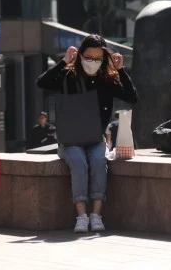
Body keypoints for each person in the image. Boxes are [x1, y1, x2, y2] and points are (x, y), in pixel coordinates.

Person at [36, 35, 137, 234]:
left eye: (98, 58)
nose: (93, 62)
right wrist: (64, 61)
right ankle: (81, 216)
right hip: (70, 139)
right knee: (78, 161)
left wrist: (121, 70)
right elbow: (42, 83)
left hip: (95, 138)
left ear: (104, 59)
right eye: (89, 57)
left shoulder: (106, 80)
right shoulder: (68, 76)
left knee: (99, 161)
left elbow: (131, 97)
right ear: (81, 55)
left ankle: (96, 215)